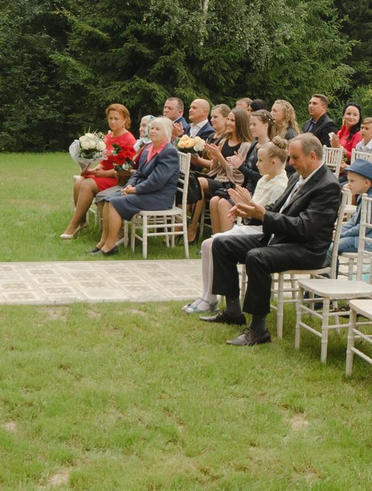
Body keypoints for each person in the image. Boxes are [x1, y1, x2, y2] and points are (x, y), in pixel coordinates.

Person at [202, 134, 341, 345]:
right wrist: (249, 212)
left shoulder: (328, 186)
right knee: (222, 244)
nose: (291, 163)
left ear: (312, 156)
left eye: (295, 158)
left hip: (307, 249)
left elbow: (304, 227)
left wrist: (264, 216)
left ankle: (258, 330)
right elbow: (278, 210)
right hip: (282, 238)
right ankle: (233, 312)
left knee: (257, 258)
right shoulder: (298, 176)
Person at [186, 141, 290, 314]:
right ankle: (207, 295)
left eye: (260, 160)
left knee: (213, 244)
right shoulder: (265, 179)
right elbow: (253, 207)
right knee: (206, 244)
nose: (256, 165)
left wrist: (245, 206)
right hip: (252, 228)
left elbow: (265, 217)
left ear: (273, 162)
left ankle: (210, 298)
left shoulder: (280, 185)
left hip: (261, 233)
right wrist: (242, 205)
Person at [95, 116, 181, 255]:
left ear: (166, 132)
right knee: (107, 199)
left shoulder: (169, 152)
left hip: (159, 197)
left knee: (115, 203)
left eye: (157, 129)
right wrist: (128, 187)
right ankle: (103, 241)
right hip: (144, 191)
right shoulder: (148, 148)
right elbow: (138, 173)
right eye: (152, 128)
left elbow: (156, 181)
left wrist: (134, 190)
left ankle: (110, 246)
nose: (153, 131)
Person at [62, 103, 138, 237]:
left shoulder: (129, 139)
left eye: (116, 119)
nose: (113, 122)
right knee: (80, 181)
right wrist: (93, 170)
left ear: (125, 120)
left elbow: (127, 168)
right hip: (105, 175)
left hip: (120, 179)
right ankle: (82, 221)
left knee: (86, 184)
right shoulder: (108, 136)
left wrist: (103, 173)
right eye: (110, 118)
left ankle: (73, 225)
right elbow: (104, 161)